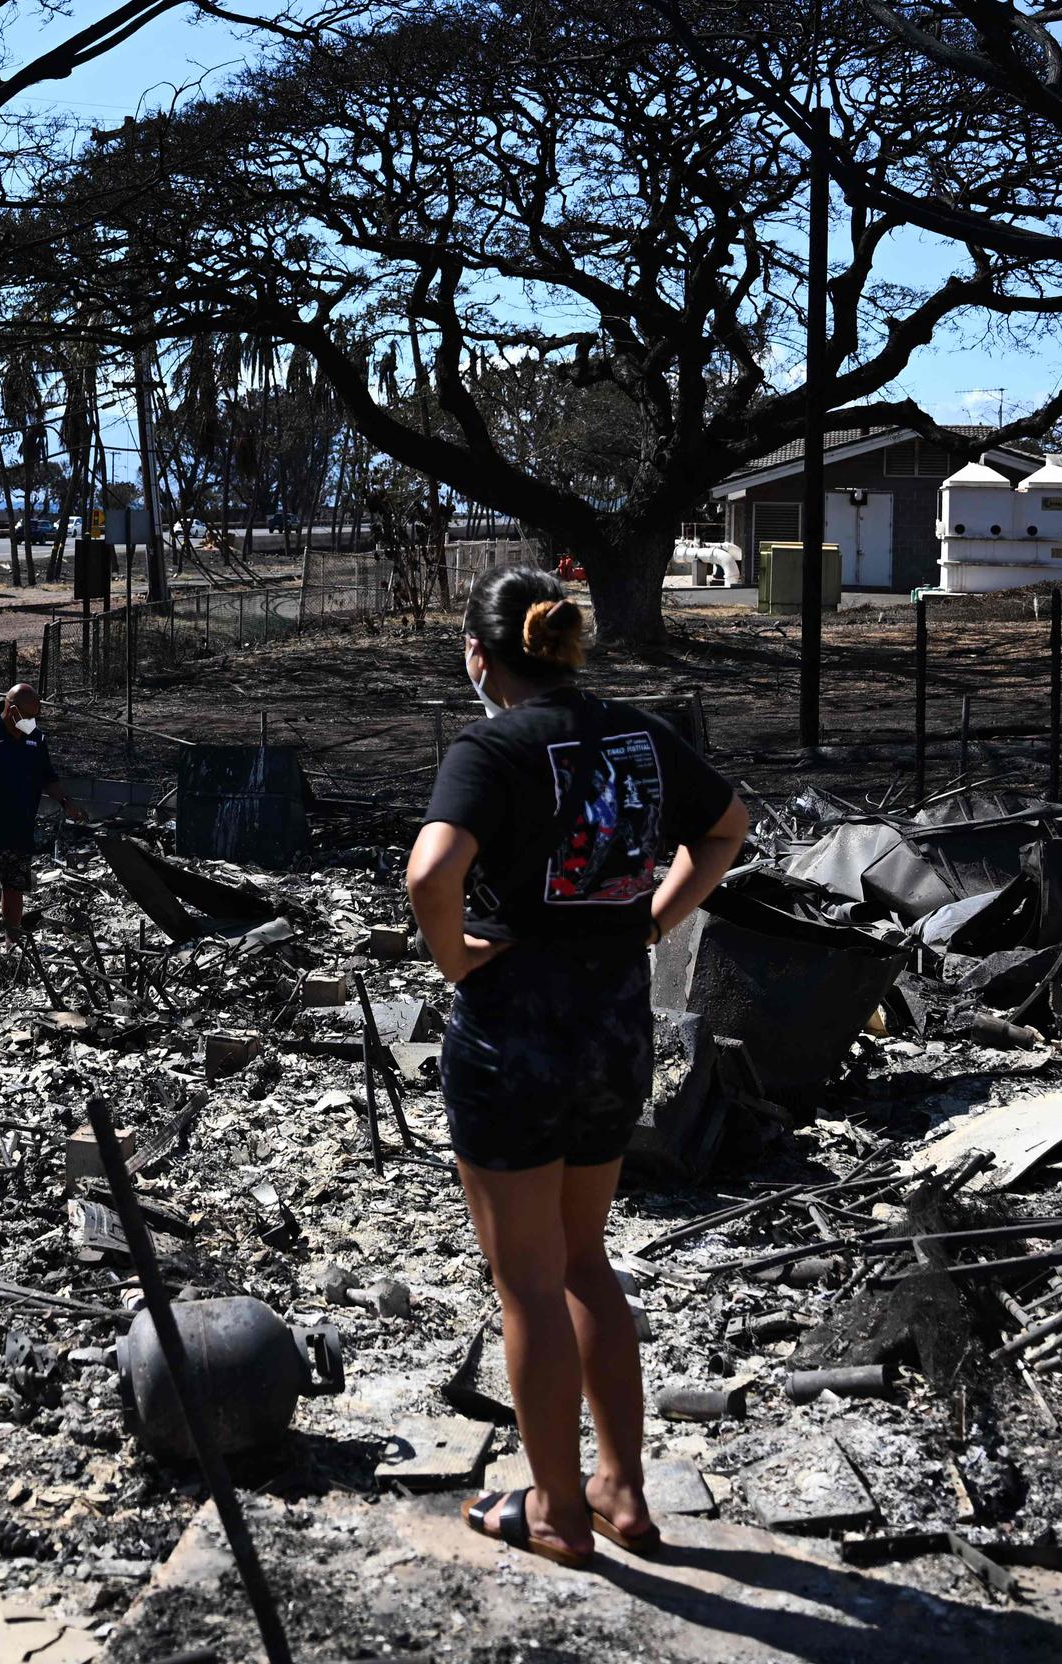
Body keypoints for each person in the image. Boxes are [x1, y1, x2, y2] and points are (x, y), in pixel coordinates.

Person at [407, 565, 748, 1565]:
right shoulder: (640, 735)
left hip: (514, 1032)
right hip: (613, 1025)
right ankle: (623, 1491)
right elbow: (727, 826)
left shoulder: (492, 746)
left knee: (527, 1281)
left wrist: (454, 955)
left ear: (481, 656)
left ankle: (554, 1511)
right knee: (587, 1260)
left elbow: (431, 872)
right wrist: (651, 917)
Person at [0, 682, 85, 945]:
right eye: (27, 716)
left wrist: (66, 803)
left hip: (21, 827)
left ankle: (12, 941)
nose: (31, 721)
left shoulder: (35, 739)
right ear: (12, 709)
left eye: (34, 716)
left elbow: (47, 778)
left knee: (15, 887)